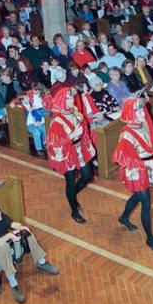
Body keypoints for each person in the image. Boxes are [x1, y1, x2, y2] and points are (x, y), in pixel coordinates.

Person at [112, 97, 153, 251]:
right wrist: (145, 164)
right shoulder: (126, 135)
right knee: (146, 202)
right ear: (131, 113)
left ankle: (124, 217)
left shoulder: (145, 123)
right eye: (139, 111)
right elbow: (122, 159)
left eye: (142, 110)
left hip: (148, 164)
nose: (143, 113)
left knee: (138, 197)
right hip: (136, 169)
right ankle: (150, 238)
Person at [0, 200, 59, 304]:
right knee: (3, 246)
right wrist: (9, 236)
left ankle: (41, 262)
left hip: (9, 253)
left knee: (27, 234)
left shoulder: (1, 217)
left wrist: (21, 228)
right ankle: (13, 284)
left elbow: (13, 224)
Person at [46, 86, 97, 224]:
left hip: (80, 148)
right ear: (62, 99)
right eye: (68, 98)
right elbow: (54, 142)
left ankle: (72, 194)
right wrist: (72, 135)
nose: (72, 100)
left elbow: (83, 126)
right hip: (67, 153)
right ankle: (74, 211)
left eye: (72, 97)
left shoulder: (74, 111)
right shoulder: (56, 120)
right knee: (70, 181)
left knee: (87, 176)